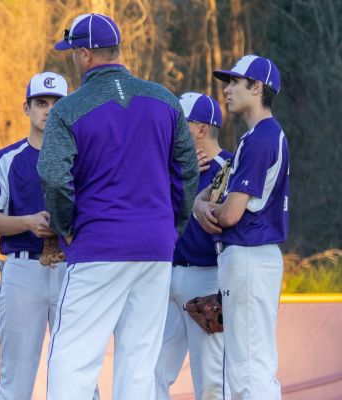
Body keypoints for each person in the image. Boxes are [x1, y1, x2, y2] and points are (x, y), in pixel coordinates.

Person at [38, 13, 199, 400]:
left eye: (73, 53)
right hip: (155, 247)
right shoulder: (164, 100)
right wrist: (169, 228)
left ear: (84, 54)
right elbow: (187, 172)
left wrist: (67, 228)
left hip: (98, 244)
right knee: (140, 359)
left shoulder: (68, 109)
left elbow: (54, 178)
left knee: (73, 357)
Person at [193, 55, 289, 399]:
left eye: (235, 82)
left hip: (249, 255)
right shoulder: (259, 136)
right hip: (249, 257)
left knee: (248, 367)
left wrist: (205, 209)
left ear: (257, 87)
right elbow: (218, 198)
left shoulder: (261, 138)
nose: (228, 90)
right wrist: (201, 202)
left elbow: (230, 214)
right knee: (247, 364)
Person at [0, 72, 69, 399]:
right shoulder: (6, 159)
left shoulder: (82, 159)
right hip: (22, 268)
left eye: (57, 104)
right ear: (26, 108)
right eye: (41, 102)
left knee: (75, 369)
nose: (48, 110)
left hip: (72, 268)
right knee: (16, 371)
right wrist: (28, 222)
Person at [154, 92, 232, 399]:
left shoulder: (229, 167)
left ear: (200, 129)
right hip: (168, 275)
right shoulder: (169, 168)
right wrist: (177, 173)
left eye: (179, 123)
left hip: (208, 279)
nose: (171, 129)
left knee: (210, 378)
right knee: (152, 370)